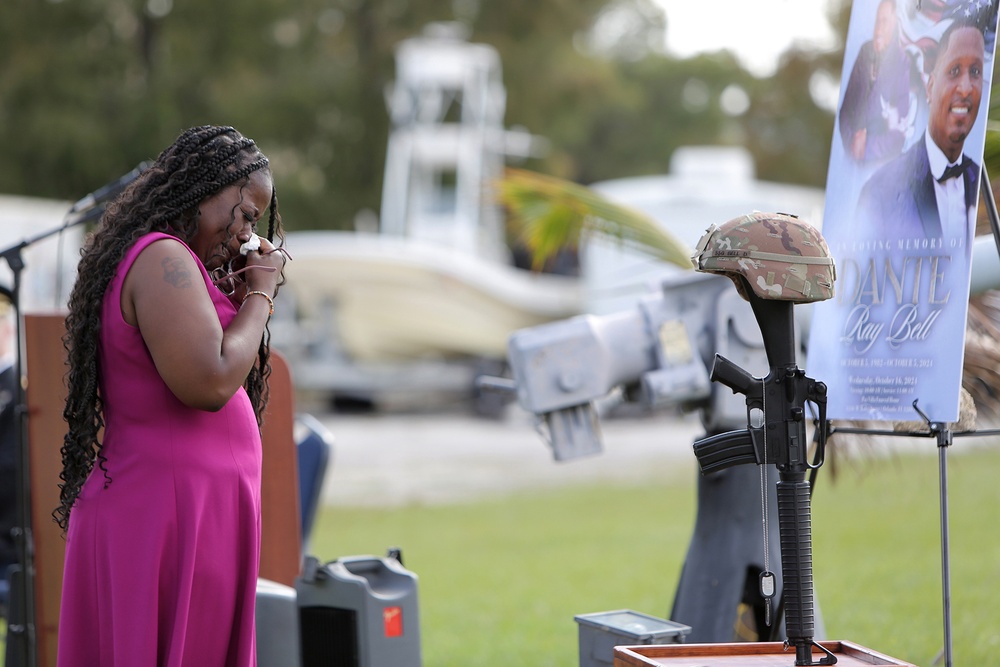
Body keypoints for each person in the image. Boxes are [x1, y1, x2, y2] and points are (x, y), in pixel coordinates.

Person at [55, 125, 288, 666]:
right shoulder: (162, 257)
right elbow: (209, 381)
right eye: (247, 215)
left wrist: (235, 298)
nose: (251, 237)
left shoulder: (176, 263)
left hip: (190, 518)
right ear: (208, 188)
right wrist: (259, 294)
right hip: (163, 524)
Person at [856, 16, 990, 240]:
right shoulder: (879, 192)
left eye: (975, 72)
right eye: (955, 71)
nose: (966, 89)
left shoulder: (978, 183)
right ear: (929, 88)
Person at [839, 0, 921, 165]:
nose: (878, 29)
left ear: (895, 25)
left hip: (878, 167)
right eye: (877, 21)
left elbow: (898, 135)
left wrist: (867, 147)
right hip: (848, 163)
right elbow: (845, 110)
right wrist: (852, 143)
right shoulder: (865, 51)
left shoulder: (902, 62)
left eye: (884, 22)